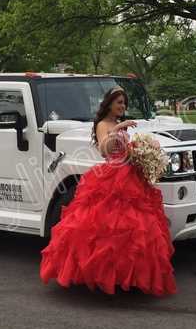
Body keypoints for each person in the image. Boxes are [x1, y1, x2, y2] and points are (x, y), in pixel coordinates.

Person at [40, 86, 177, 296]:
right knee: (104, 228)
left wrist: (141, 155)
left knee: (135, 229)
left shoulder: (118, 126)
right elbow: (104, 148)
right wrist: (118, 128)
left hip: (130, 175)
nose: (122, 106)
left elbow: (124, 150)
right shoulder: (104, 124)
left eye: (124, 103)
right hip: (111, 175)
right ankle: (101, 275)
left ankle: (128, 277)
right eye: (119, 102)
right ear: (109, 104)